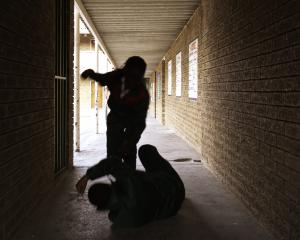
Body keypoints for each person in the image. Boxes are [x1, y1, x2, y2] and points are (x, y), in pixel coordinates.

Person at [76, 144, 185, 228]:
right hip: (173, 184)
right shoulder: (127, 178)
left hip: (172, 208)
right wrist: (87, 177)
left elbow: (112, 215)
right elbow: (112, 163)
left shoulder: (121, 218)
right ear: (110, 186)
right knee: (145, 150)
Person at [81, 56, 149, 170]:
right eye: (129, 75)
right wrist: (91, 74)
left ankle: (129, 177)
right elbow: (103, 78)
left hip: (132, 121)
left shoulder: (141, 94)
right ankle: (113, 176)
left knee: (129, 154)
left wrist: (129, 143)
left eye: (135, 77)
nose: (131, 80)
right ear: (125, 71)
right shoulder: (117, 76)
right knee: (113, 154)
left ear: (139, 77)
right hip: (115, 117)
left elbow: (140, 123)